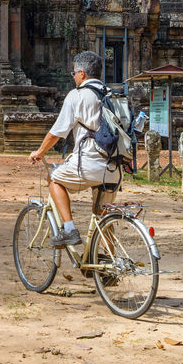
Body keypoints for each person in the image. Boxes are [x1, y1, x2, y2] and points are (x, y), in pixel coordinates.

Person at [27, 50, 118, 247]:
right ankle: (108, 269)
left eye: (74, 73)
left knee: (53, 177)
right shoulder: (112, 94)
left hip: (89, 164)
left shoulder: (77, 95)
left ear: (82, 73)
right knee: (102, 219)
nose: (73, 76)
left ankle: (69, 229)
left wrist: (40, 152)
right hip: (114, 168)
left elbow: (57, 132)